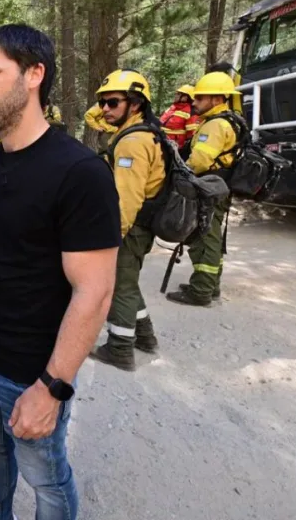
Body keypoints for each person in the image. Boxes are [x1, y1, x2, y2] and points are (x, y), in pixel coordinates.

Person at [0, 24, 120, 520]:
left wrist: (52, 387)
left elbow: (95, 292)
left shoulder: (80, 173)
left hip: (31, 371)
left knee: (46, 477)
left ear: (34, 74)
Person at [88, 70, 165, 372]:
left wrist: (111, 236)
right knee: (129, 281)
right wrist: (108, 101)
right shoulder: (144, 131)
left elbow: (128, 198)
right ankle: (145, 336)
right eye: (102, 102)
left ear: (135, 104)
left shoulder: (132, 143)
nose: (104, 109)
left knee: (119, 284)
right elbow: (92, 118)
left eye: (113, 102)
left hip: (130, 228)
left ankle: (120, 348)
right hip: (142, 225)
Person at [165, 71, 240, 307]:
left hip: (208, 186)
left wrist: (179, 178)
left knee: (204, 236)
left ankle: (201, 291)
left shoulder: (215, 125)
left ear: (217, 99)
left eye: (200, 98)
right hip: (219, 186)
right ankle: (210, 284)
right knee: (213, 234)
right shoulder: (230, 119)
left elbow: (199, 161)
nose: (194, 102)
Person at [159, 84, 199, 149]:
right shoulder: (172, 107)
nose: (176, 96)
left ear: (186, 97)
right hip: (162, 142)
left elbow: (191, 135)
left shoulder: (190, 112)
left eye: (178, 94)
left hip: (175, 147)